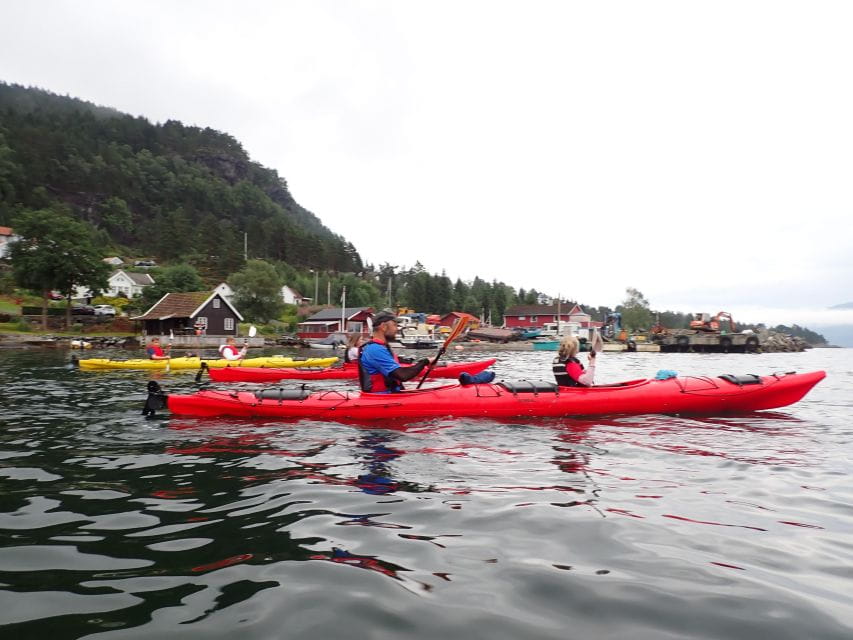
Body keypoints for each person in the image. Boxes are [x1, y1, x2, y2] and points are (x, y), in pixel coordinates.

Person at [358, 311, 431, 393]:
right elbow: (403, 375)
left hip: (392, 394)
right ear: (383, 327)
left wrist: (426, 365)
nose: (397, 329)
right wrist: (425, 362)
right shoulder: (375, 350)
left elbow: (400, 372)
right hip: (382, 399)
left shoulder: (383, 347)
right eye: (394, 325)